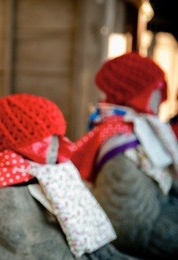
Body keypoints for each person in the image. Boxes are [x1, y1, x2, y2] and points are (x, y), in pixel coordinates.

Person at [0, 93, 133, 260]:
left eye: (60, 136)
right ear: (20, 142)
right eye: (50, 137)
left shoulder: (45, 176)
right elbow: (41, 250)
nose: (60, 144)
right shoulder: (7, 195)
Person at [72, 52, 178, 258]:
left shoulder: (141, 128)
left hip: (157, 210)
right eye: (155, 91)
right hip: (141, 227)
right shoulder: (119, 141)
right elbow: (130, 220)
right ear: (133, 92)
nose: (160, 99)